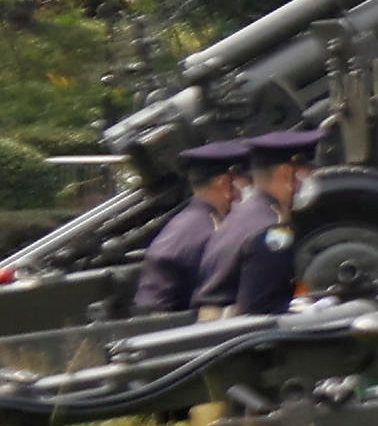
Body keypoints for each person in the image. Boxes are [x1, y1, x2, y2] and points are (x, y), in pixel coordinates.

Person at [126, 137, 256, 318]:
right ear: (225, 183)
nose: (250, 187)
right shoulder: (215, 232)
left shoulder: (185, 225)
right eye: (247, 180)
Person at [191, 134, 319, 315]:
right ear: (287, 173)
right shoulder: (275, 230)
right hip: (237, 326)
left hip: (214, 322)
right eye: (310, 173)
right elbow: (262, 308)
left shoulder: (239, 215)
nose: (312, 180)